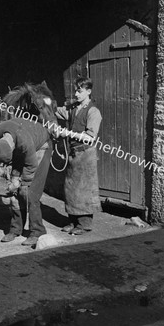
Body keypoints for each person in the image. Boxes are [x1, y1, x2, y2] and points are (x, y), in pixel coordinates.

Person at [0, 117, 52, 246]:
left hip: (41, 147)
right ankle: (16, 229)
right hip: (19, 148)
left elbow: (31, 165)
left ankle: (37, 231)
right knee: (14, 193)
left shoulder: (24, 143)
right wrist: (13, 179)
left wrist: (20, 181)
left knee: (29, 192)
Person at [56, 77, 102, 235]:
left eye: (79, 91)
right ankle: (73, 221)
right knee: (70, 188)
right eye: (75, 90)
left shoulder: (93, 111)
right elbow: (57, 110)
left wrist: (67, 133)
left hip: (85, 154)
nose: (75, 94)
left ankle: (84, 225)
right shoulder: (73, 108)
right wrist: (46, 101)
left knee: (83, 189)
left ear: (88, 92)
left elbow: (91, 137)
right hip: (73, 153)